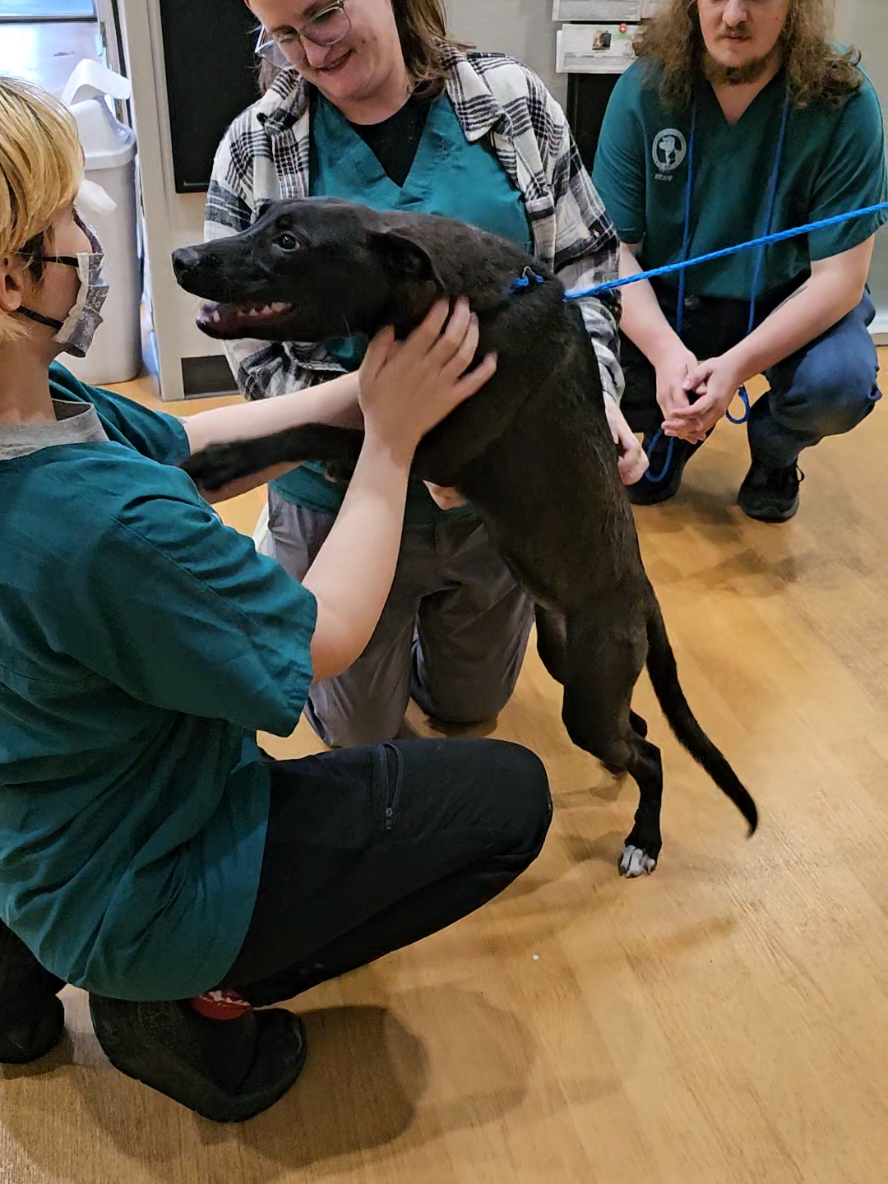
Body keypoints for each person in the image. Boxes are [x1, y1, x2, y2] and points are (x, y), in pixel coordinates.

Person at [0, 76, 553, 1123]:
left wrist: (363, 391)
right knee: (509, 798)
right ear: (9, 276)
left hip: (29, 812)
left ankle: (13, 987)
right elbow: (325, 638)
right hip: (137, 879)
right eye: (68, 218)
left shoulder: (34, 405)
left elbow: (184, 442)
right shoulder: (98, 524)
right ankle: (180, 1000)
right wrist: (388, 445)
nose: (90, 234)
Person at [205, 0, 648, 750]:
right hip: (340, 503)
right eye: (280, 35)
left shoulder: (512, 104)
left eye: (323, 16)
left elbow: (588, 276)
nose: (309, 54)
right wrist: (398, 440)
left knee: (470, 707)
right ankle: (294, 563)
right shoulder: (256, 147)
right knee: (362, 738)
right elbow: (256, 362)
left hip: (496, 503)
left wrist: (594, 398)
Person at [593, 0, 887, 521]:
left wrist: (736, 367)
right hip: (672, 306)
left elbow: (840, 279)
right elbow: (614, 254)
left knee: (839, 382)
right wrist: (666, 356)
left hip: (786, 303)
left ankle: (775, 452)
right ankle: (674, 428)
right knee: (578, 355)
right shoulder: (642, 89)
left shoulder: (845, 100)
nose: (732, 15)